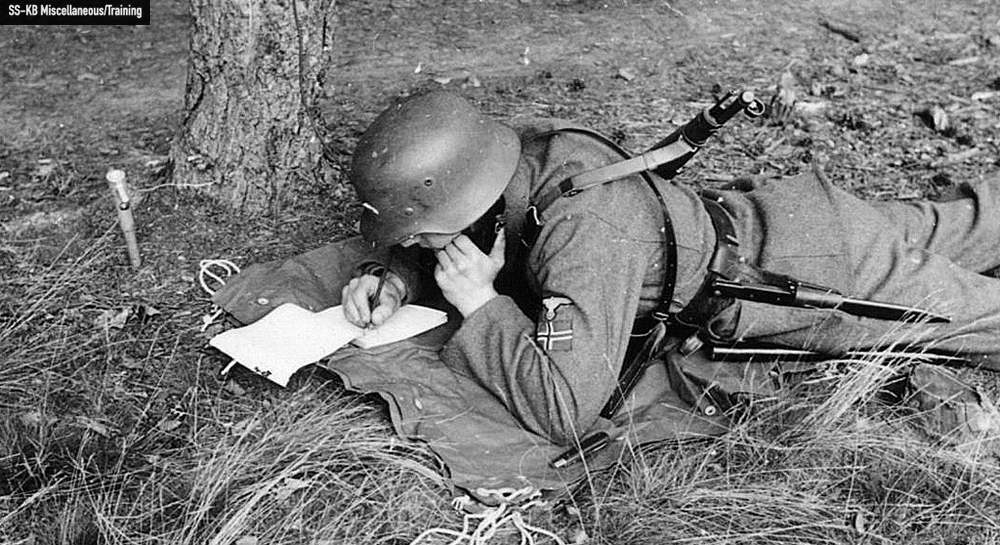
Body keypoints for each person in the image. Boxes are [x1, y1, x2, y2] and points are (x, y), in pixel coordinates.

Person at [332, 88, 1000, 448]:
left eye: (420, 235)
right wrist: (394, 279)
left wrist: (482, 308)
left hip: (822, 276)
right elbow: (449, 230)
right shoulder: (516, 161)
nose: (416, 245)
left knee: (985, 320)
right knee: (973, 220)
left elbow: (563, 408)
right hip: (788, 218)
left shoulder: (586, 234)